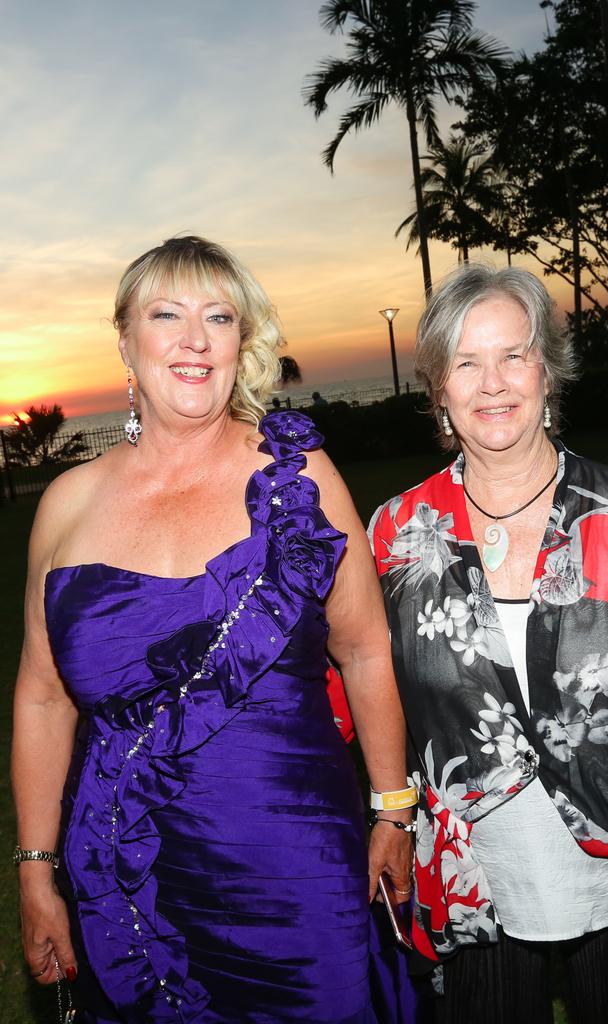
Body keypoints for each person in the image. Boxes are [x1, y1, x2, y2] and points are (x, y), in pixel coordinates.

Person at [12, 235, 414, 1023]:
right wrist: (34, 869)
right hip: (128, 868)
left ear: (242, 342)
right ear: (126, 341)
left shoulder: (299, 479)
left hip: (297, 869)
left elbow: (365, 650)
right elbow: (42, 699)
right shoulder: (65, 505)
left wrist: (393, 810)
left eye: (219, 317)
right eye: (167, 314)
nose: (195, 339)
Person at [368, 263, 608, 1023]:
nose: (493, 383)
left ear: (548, 371)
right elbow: (363, 694)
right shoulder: (393, 535)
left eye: (513, 355)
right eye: (466, 362)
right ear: (439, 391)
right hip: (476, 883)